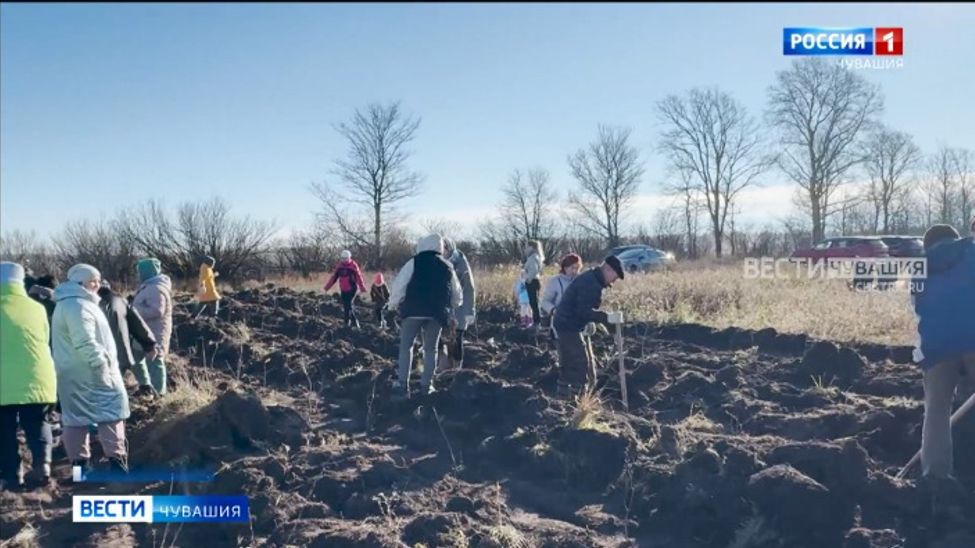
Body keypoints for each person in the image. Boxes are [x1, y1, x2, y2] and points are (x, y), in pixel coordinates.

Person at [51, 264, 130, 474]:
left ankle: (79, 474)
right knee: (111, 415)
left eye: (97, 280)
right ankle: (118, 468)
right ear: (79, 282)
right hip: (91, 373)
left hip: (72, 374)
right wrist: (101, 365)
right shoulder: (78, 305)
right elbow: (85, 341)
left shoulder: (69, 303)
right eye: (91, 280)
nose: (96, 284)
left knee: (75, 420)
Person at [912, 224, 975, 479]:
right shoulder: (970, 250)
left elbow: (917, 309)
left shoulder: (920, 267)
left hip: (936, 347)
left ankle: (935, 477)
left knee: (936, 410)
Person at [0, 262, 57, 490]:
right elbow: (44, 337)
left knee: (4, 430)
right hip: (38, 377)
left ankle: (13, 476)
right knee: (38, 423)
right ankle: (43, 466)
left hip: (4, 382)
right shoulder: (37, 308)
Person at [388, 234, 462, 397]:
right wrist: (451, 306)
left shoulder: (414, 262)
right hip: (436, 313)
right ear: (440, 247)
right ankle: (426, 387)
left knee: (406, 347)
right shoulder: (447, 265)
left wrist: (393, 304)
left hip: (413, 311)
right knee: (431, 349)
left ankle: (402, 386)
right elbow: (457, 293)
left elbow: (399, 285)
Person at [553, 255, 625, 398]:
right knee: (579, 364)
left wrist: (607, 326)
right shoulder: (591, 283)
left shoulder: (593, 279)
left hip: (569, 324)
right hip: (568, 326)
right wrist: (607, 317)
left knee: (573, 362)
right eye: (615, 278)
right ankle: (576, 401)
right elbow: (583, 311)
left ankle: (564, 396)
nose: (613, 282)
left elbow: (585, 309)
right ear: (608, 270)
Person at [97, 281, 158, 398]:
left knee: (107, 389)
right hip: (124, 354)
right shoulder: (121, 301)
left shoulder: (92, 305)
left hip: (105, 355)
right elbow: (137, 323)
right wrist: (149, 344)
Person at [132, 258, 173, 395]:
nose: (138, 274)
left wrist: (134, 311)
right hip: (145, 332)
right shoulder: (149, 286)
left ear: (147, 272)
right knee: (136, 358)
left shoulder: (156, 288)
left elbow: (157, 311)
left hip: (155, 332)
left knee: (155, 362)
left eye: (140, 271)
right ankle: (146, 387)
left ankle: (158, 394)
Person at [443, 238, 476, 368]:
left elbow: (469, 288)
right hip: (445, 310)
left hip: (459, 310)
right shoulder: (441, 263)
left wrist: (470, 311)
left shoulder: (461, 264)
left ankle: (457, 369)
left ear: (449, 248)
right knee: (445, 340)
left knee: (457, 340)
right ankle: (445, 367)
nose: (441, 251)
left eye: (444, 248)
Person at [540, 253, 583, 339]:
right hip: (561, 322)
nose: (575, 271)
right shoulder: (555, 281)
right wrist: (553, 310)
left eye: (577, 268)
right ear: (565, 268)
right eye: (573, 268)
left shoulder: (581, 281)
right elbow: (545, 302)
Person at [324, 250, 367, 328]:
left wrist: (362, 287)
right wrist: (327, 287)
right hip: (343, 289)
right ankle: (355, 322)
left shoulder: (353, 266)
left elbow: (359, 277)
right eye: (343, 258)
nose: (344, 260)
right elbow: (334, 278)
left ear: (349, 258)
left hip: (352, 288)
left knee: (348, 305)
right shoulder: (339, 266)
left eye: (346, 258)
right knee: (347, 306)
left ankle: (346, 323)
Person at [521, 240, 545, 327]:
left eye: (527, 246)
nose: (526, 249)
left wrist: (529, 279)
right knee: (534, 302)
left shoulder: (532, 257)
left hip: (532, 282)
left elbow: (534, 270)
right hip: (535, 281)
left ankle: (537, 321)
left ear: (532, 247)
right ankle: (537, 321)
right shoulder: (536, 257)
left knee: (533, 302)